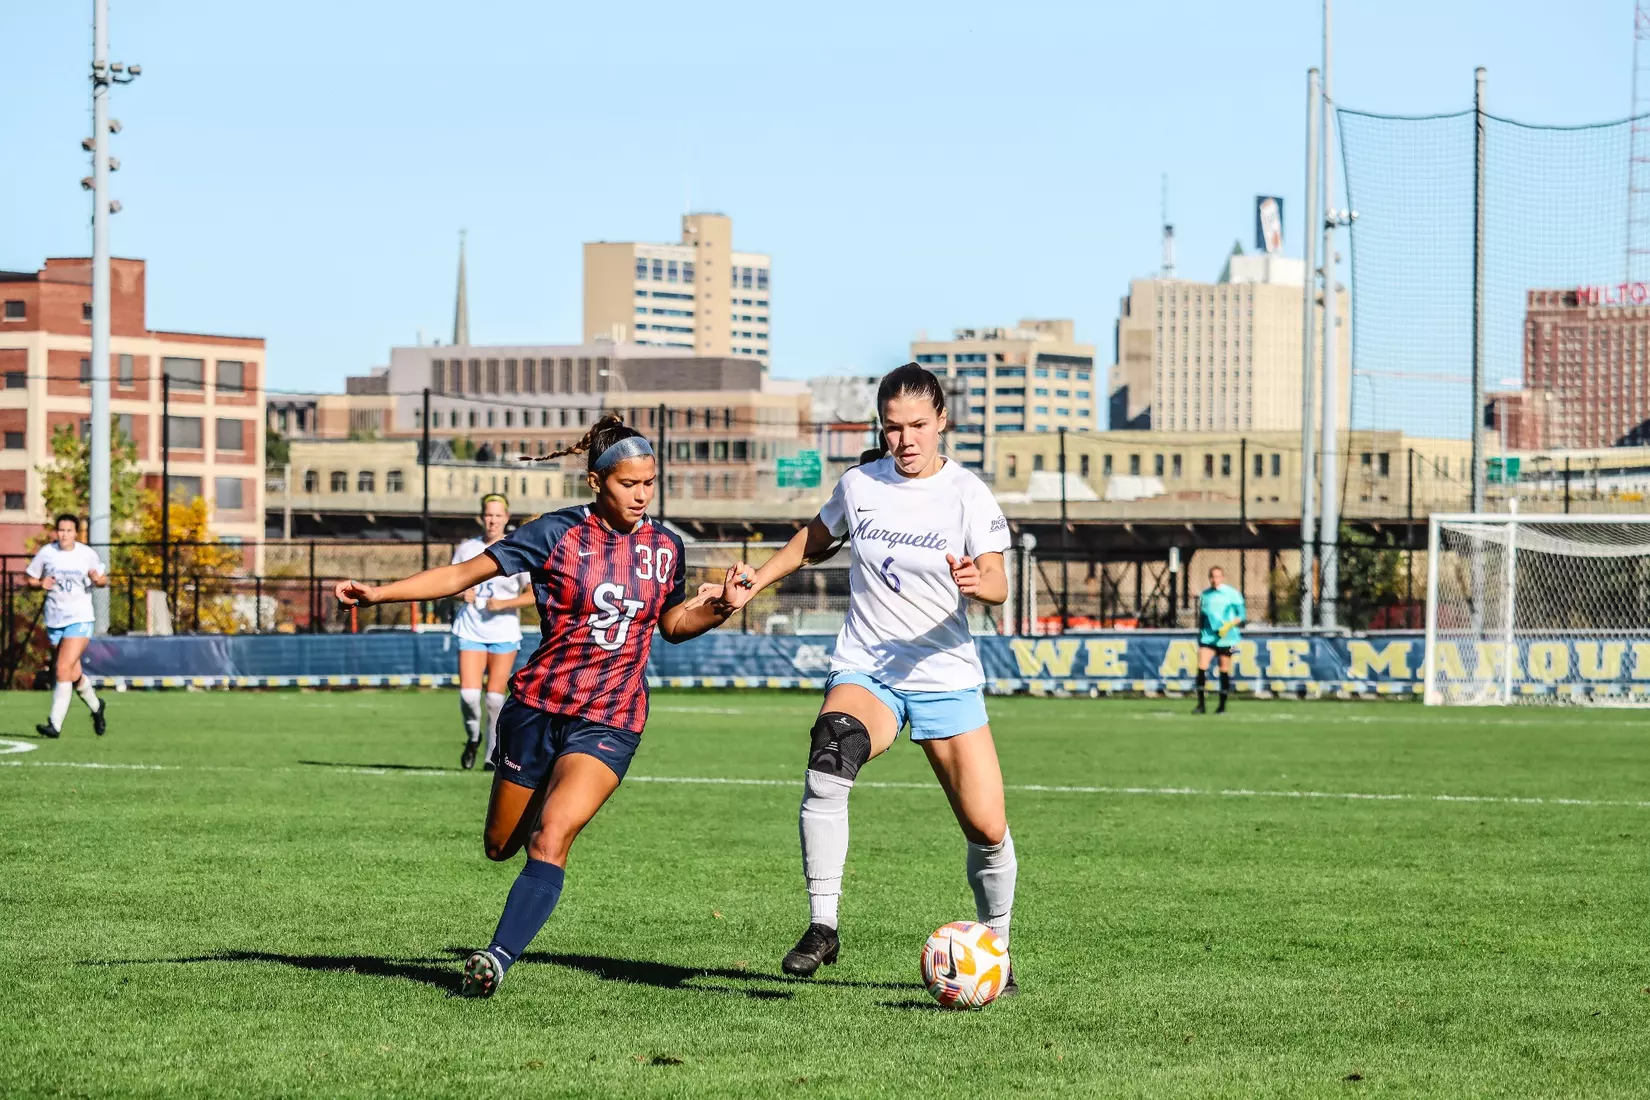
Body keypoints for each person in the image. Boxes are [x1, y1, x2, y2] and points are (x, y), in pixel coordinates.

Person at [334, 415, 743, 998]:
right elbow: (460, 574)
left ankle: (495, 959)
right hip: (535, 709)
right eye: (631, 484)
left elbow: (674, 624)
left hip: (611, 717)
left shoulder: (667, 547)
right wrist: (380, 592)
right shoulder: (553, 533)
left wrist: (720, 607)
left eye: (650, 483)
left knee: (550, 838)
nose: (643, 495)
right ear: (596, 482)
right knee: (500, 846)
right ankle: (526, 803)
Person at [719, 363, 1019, 995]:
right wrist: (756, 581)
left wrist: (977, 583)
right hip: (869, 665)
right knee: (832, 747)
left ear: (942, 422)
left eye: (916, 426)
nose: (905, 440)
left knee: (988, 828)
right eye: (892, 428)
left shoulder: (969, 494)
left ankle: (997, 945)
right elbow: (813, 539)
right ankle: (823, 924)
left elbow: (997, 581)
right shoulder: (859, 485)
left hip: (943, 673)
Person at [451, 494, 535, 771]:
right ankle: (473, 737)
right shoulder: (467, 549)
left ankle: (491, 756)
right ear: (481, 517)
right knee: (469, 696)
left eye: (498, 515)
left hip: (504, 632)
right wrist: (460, 592)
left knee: (494, 698)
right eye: (489, 514)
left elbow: (532, 594)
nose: (493, 520)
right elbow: (448, 584)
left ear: (506, 518)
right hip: (472, 628)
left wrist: (505, 603)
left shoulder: (516, 548)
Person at [26, 514, 110, 739]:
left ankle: (54, 724)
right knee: (74, 674)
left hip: (80, 618)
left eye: (69, 531)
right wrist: (40, 583)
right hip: (55, 620)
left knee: (61, 668)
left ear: (76, 533)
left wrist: (96, 579)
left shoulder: (86, 554)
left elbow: (103, 580)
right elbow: (31, 579)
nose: (64, 535)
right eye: (61, 530)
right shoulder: (47, 553)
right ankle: (96, 707)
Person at [1194, 565, 1246, 715]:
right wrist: (1201, 634)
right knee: (1201, 666)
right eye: (1212, 576)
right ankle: (1201, 705)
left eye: (1217, 576)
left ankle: (1221, 706)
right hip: (1208, 638)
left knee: (1224, 669)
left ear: (1222, 578)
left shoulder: (1232, 594)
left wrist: (1228, 625)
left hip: (1227, 639)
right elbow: (1203, 616)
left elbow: (1241, 615)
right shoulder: (1205, 595)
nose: (1214, 579)